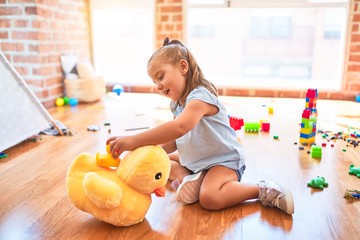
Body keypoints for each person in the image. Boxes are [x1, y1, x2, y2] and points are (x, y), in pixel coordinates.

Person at [106, 37, 294, 214]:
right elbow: (174, 140)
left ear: (182, 67)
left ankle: (262, 190)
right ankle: (192, 179)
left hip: (222, 161)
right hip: (198, 161)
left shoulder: (200, 97)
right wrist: (143, 155)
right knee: (160, 162)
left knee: (209, 198)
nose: (158, 86)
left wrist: (133, 141)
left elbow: (179, 127)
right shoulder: (177, 104)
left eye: (161, 77)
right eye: (155, 82)